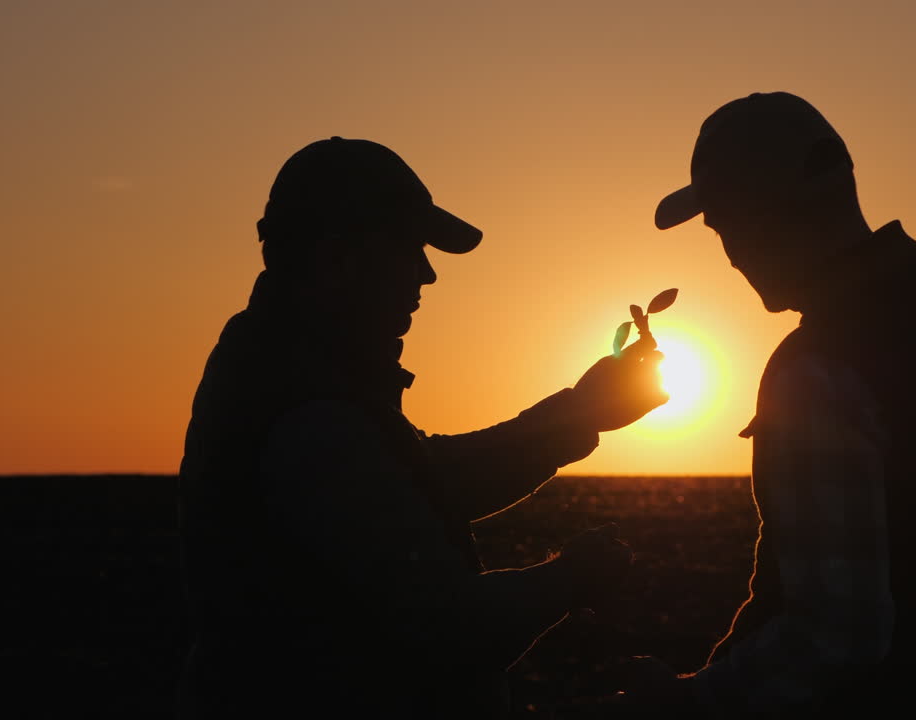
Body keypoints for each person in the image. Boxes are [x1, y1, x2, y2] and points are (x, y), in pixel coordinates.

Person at [176, 137, 668, 719]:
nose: (428, 275)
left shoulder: (289, 372)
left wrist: (580, 414)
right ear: (338, 257)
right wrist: (573, 577)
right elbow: (452, 626)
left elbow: (415, 483)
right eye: (410, 250)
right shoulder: (313, 418)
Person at [617, 92, 916, 717]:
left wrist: (688, 704)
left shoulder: (815, 368)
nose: (732, 252)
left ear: (763, 209)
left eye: (725, 224)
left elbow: (834, 637)